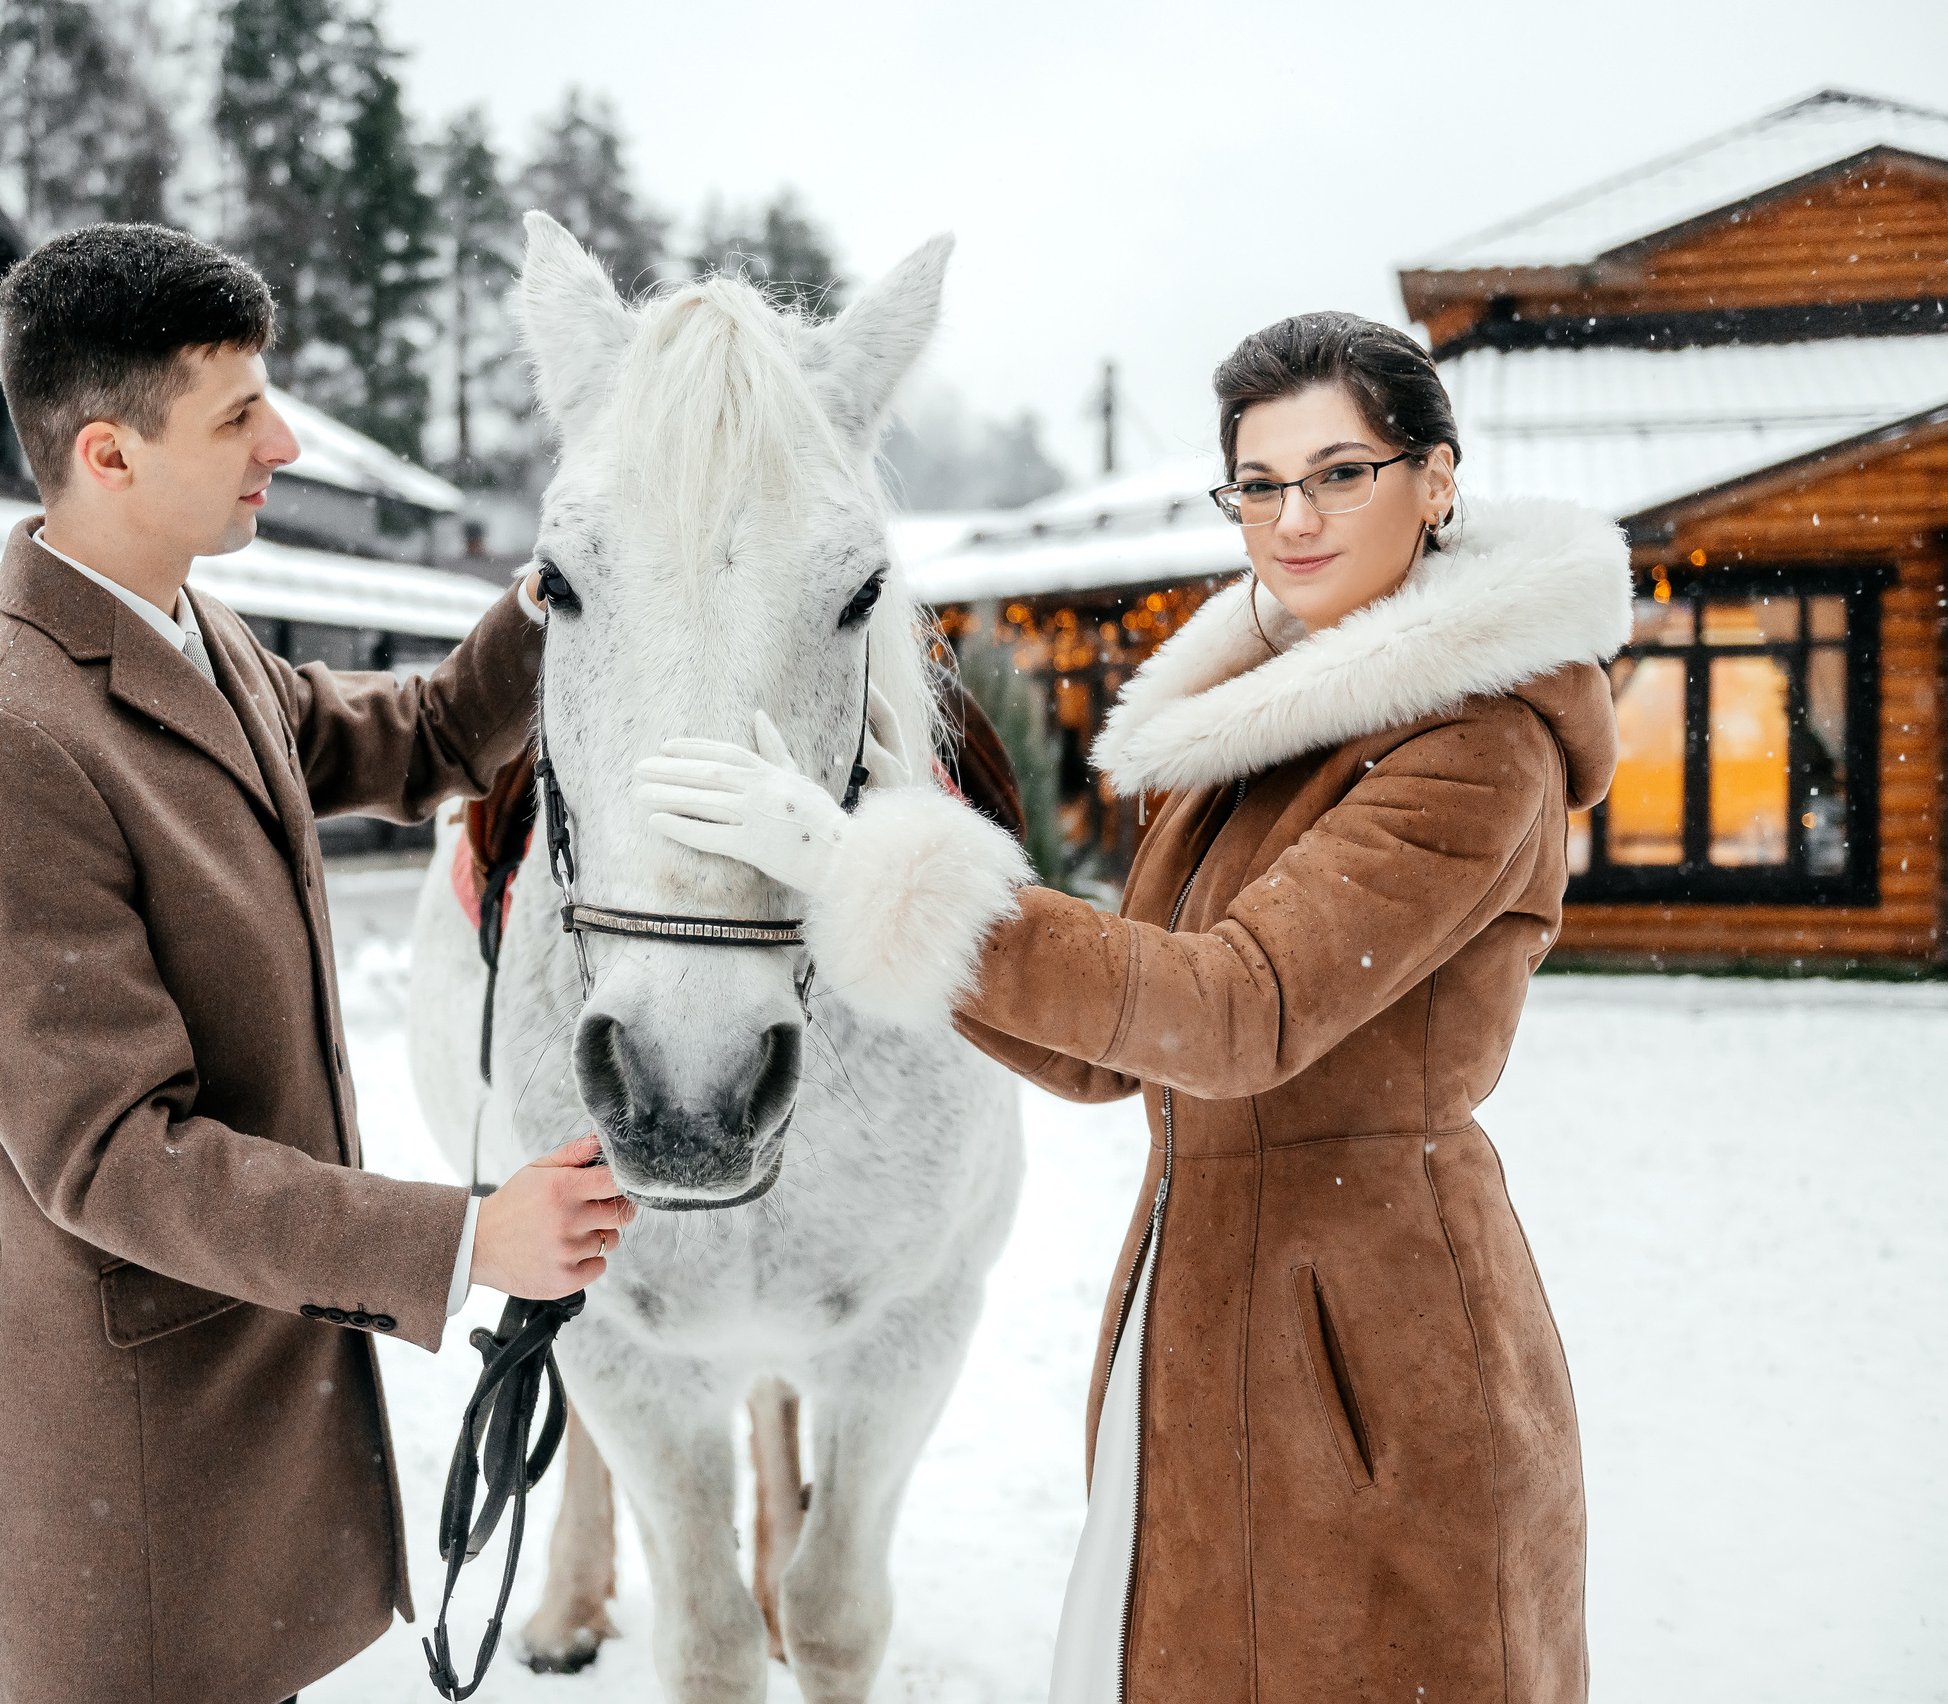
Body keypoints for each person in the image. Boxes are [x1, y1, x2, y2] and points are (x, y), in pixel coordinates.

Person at [637, 310, 1625, 1702]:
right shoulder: (1262, 724)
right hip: (1199, 1290)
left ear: (1438, 480)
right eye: (1260, 484)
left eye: (1341, 473)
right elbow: (1122, 1051)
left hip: (1373, 1327)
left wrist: (863, 865)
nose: (1294, 517)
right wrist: (880, 849)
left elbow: (1235, 1013)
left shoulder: (1473, 744)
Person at [0, 223, 635, 1704]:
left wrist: (561, 592)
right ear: (107, 455)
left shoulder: (197, 639)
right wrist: (466, 1240)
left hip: (245, 1381)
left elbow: (414, 737)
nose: (282, 440)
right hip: (139, 1445)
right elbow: (115, 1156)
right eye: (237, 415)